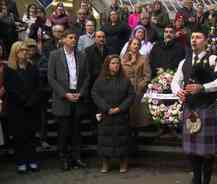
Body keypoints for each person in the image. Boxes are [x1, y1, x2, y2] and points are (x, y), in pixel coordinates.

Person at [171, 28, 217, 184]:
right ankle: (196, 179)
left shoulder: (213, 60)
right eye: (192, 37)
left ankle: (206, 181)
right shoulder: (184, 62)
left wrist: (203, 87)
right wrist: (178, 92)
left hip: (207, 108)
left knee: (208, 152)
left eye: (198, 37)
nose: (194, 40)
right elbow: (175, 81)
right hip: (190, 108)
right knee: (192, 151)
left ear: (205, 41)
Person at [48, 29, 90, 171]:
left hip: (78, 95)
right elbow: (51, 78)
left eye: (75, 38)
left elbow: (87, 77)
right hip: (63, 97)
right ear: (64, 39)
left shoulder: (82, 55)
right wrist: (64, 94)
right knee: (64, 131)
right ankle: (64, 158)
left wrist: (81, 93)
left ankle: (77, 158)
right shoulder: (55, 55)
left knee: (77, 130)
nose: (74, 40)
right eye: (71, 37)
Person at [91, 54, 135, 173]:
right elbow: (95, 94)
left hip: (121, 115)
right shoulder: (100, 80)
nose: (116, 65)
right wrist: (106, 108)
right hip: (106, 115)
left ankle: (123, 163)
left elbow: (131, 96)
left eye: (117, 63)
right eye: (113, 63)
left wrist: (120, 108)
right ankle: (105, 163)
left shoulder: (125, 80)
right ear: (107, 65)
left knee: (123, 140)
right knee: (105, 141)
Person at [4, 41, 41, 173]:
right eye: (21, 50)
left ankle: (32, 160)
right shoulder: (9, 69)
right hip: (17, 108)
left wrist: (32, 100)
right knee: (19, 136)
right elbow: (11, 89)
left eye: (26, 50)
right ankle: (21, 161)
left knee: (31, 135)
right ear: (15, 52)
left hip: (32, 107)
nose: (24, 53)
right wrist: (23, 100)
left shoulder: (33, 67)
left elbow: (38, 87)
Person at [121, 38, 151, 129]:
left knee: (136, 116)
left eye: (138, 44)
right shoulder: (123, 58)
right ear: (130, 45)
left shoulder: (144, 58)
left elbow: (147, 75)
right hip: (124, 90)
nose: (136, 46)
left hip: (138, 90)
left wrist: (140, 85)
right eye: (134, 44)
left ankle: (135, 133)